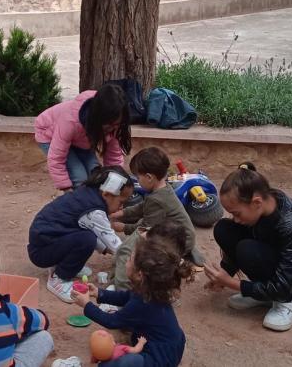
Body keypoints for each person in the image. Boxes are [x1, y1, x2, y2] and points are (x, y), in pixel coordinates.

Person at [203, 162, 292, 332]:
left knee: (247, 250)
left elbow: (285, 281)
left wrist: (232, 283)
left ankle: (286, 302)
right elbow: (239, 237)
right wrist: (226, 272)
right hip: (278, 259)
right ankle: (263, 293)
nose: (235, 218)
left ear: (256, 203)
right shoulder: (262, 207)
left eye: (237, 213)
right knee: (224, 228)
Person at [72, 237, 192, 367]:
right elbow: (125, 297)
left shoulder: (143, 303)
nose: (126, 263)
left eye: (129, 259)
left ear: (140, 274)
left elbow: (111, 321)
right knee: (135, 336)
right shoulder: (151, 289)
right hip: (170, 344)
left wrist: (86, 305)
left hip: (161, 358)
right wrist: (99, 293)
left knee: (126, 362)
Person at [28, 166, 133, 302]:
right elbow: (115, 244)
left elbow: (92, 230)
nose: (121, 207)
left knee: (86, 237)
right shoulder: (94, 211)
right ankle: (59, 279)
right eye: (121, 202)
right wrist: (134, 258)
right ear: (107, 194)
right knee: (86, 240)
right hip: (42, 252)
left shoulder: (88, 195)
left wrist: (104, 248)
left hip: (47, 242)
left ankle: (67, 264)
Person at [110, 147, 203, 290]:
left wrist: (124, 228)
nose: (138, 181)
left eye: (138, 177)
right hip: (181, 233)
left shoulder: (157, 199)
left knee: (129, 250)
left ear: (149, 177)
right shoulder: (161, 189)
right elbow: (143, 207)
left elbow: (146, 228)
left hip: (179, 239)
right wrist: (121, 214)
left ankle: (123, 288)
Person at [34, 84, 132, 191]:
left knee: (95, 175)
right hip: (49, 133)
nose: (113, 128)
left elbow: (114, 157)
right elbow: (56, 157)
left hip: (80, 140)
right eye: (110, 124)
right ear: (98, 117)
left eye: (117, 124)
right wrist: (65, 187)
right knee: (79, 178)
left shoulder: (114, 123)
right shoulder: (70, 122)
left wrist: (114, 184)